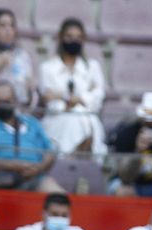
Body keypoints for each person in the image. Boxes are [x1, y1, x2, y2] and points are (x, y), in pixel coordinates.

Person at [0, 80, 57, 192]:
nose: (4, 105)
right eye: (0, 101)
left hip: (34, 177)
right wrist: (14, 165)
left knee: (57, 196)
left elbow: (50, 152)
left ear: (15, 100)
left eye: (8, 101)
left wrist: (39, 168)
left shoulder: (33, 123)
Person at [39, 17, 104, 158]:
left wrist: (72, 98)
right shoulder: (47, 68)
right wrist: (80, 98)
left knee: (85, 121)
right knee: (73, 121)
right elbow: (50, 102)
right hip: (57, 121)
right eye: (69, 36)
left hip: (88, 119)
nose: (74, 41)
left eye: (79, 37)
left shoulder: (92, 67)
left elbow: (98, 99)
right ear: (61, 38)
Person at [109, 91, 152, 198]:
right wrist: (138, 151)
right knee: (123, 190)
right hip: (130, 182)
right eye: (151, 123)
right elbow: (124, 178)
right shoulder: (127, 132)